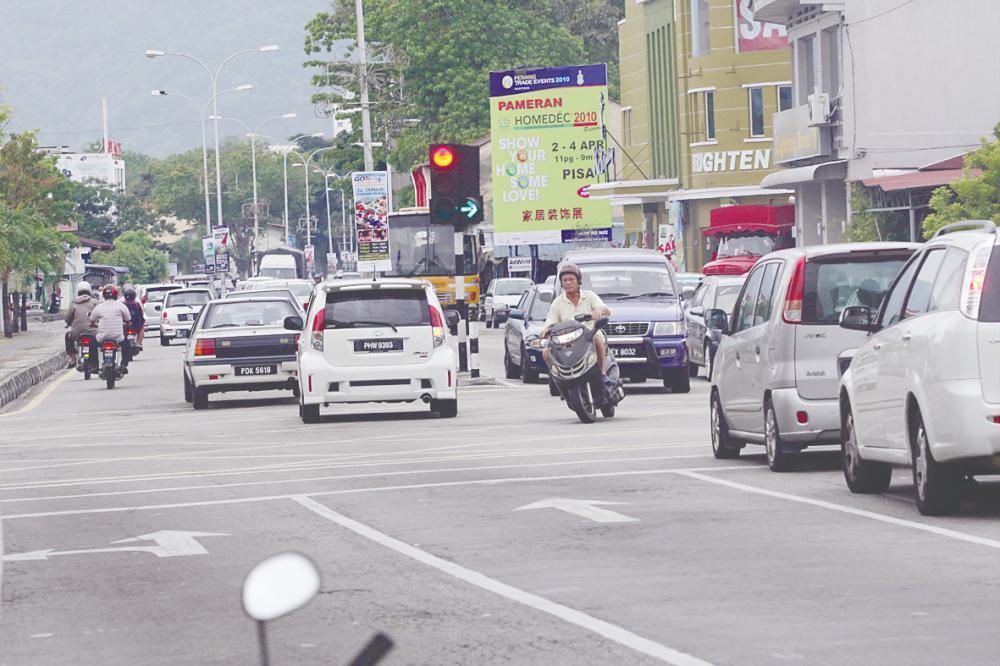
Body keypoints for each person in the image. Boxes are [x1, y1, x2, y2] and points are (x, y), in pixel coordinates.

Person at [541, 263, 612, 376]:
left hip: (588, 336)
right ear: (561, 283)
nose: (568, 283)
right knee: (546, 352)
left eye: (571, 279)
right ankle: (559, 378)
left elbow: (606, 310)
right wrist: (546, 330)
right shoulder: (557, 303)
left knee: (597, 338)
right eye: (565, 280)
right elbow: (550, 323)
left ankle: (602, 373)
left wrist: (598, 312)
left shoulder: (589, 296)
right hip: (567, 341)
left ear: (578, 281)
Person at [89, 284, 133, 371]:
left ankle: (94, 365)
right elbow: (128, 320)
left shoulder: (99, 307)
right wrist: (127, 324)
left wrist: (94, 324)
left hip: (102, 337)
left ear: (104, 295)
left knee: (92, 344)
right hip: (118, 337)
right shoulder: (121, 306)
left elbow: (92, 320)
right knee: (127, 344)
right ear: (116, 295)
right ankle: (124, 364)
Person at [64, 282, 98, 368]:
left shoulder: (73, 303)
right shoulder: (94, 302)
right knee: (95, 344)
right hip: (93, 331)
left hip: (77, 332)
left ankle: (73, 359)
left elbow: (68, 318)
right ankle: (95, 364)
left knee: (67, 336)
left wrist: (68, 324)